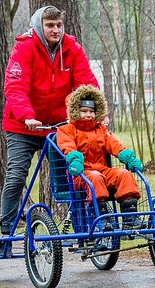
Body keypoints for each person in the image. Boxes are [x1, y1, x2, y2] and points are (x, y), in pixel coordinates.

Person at [0, 5, 98, 240]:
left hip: (57, 127)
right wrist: (27, 116)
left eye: (58, 25)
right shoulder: (24, 48)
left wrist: (98, 110)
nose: (55, 30)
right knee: (16, 175)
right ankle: (7, 228)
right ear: (39, 26)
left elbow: (86, 82)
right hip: (22, 126)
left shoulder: (72, 49)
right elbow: (15, 86)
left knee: (74, 172)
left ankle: (82, 224)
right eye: (50, 25)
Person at [56, 85, 144, 226]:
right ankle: (101, 218)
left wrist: (127, 156)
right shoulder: (66, 130)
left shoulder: (100, 129)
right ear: (74, 111)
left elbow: (113, 144)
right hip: (80, 174)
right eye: (84, 111)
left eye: (91, 111)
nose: (88, 115)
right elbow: (67, 146)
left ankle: (130, 218)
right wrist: (74, 159)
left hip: (101, 171)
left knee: (124, 174)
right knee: (95, 178)